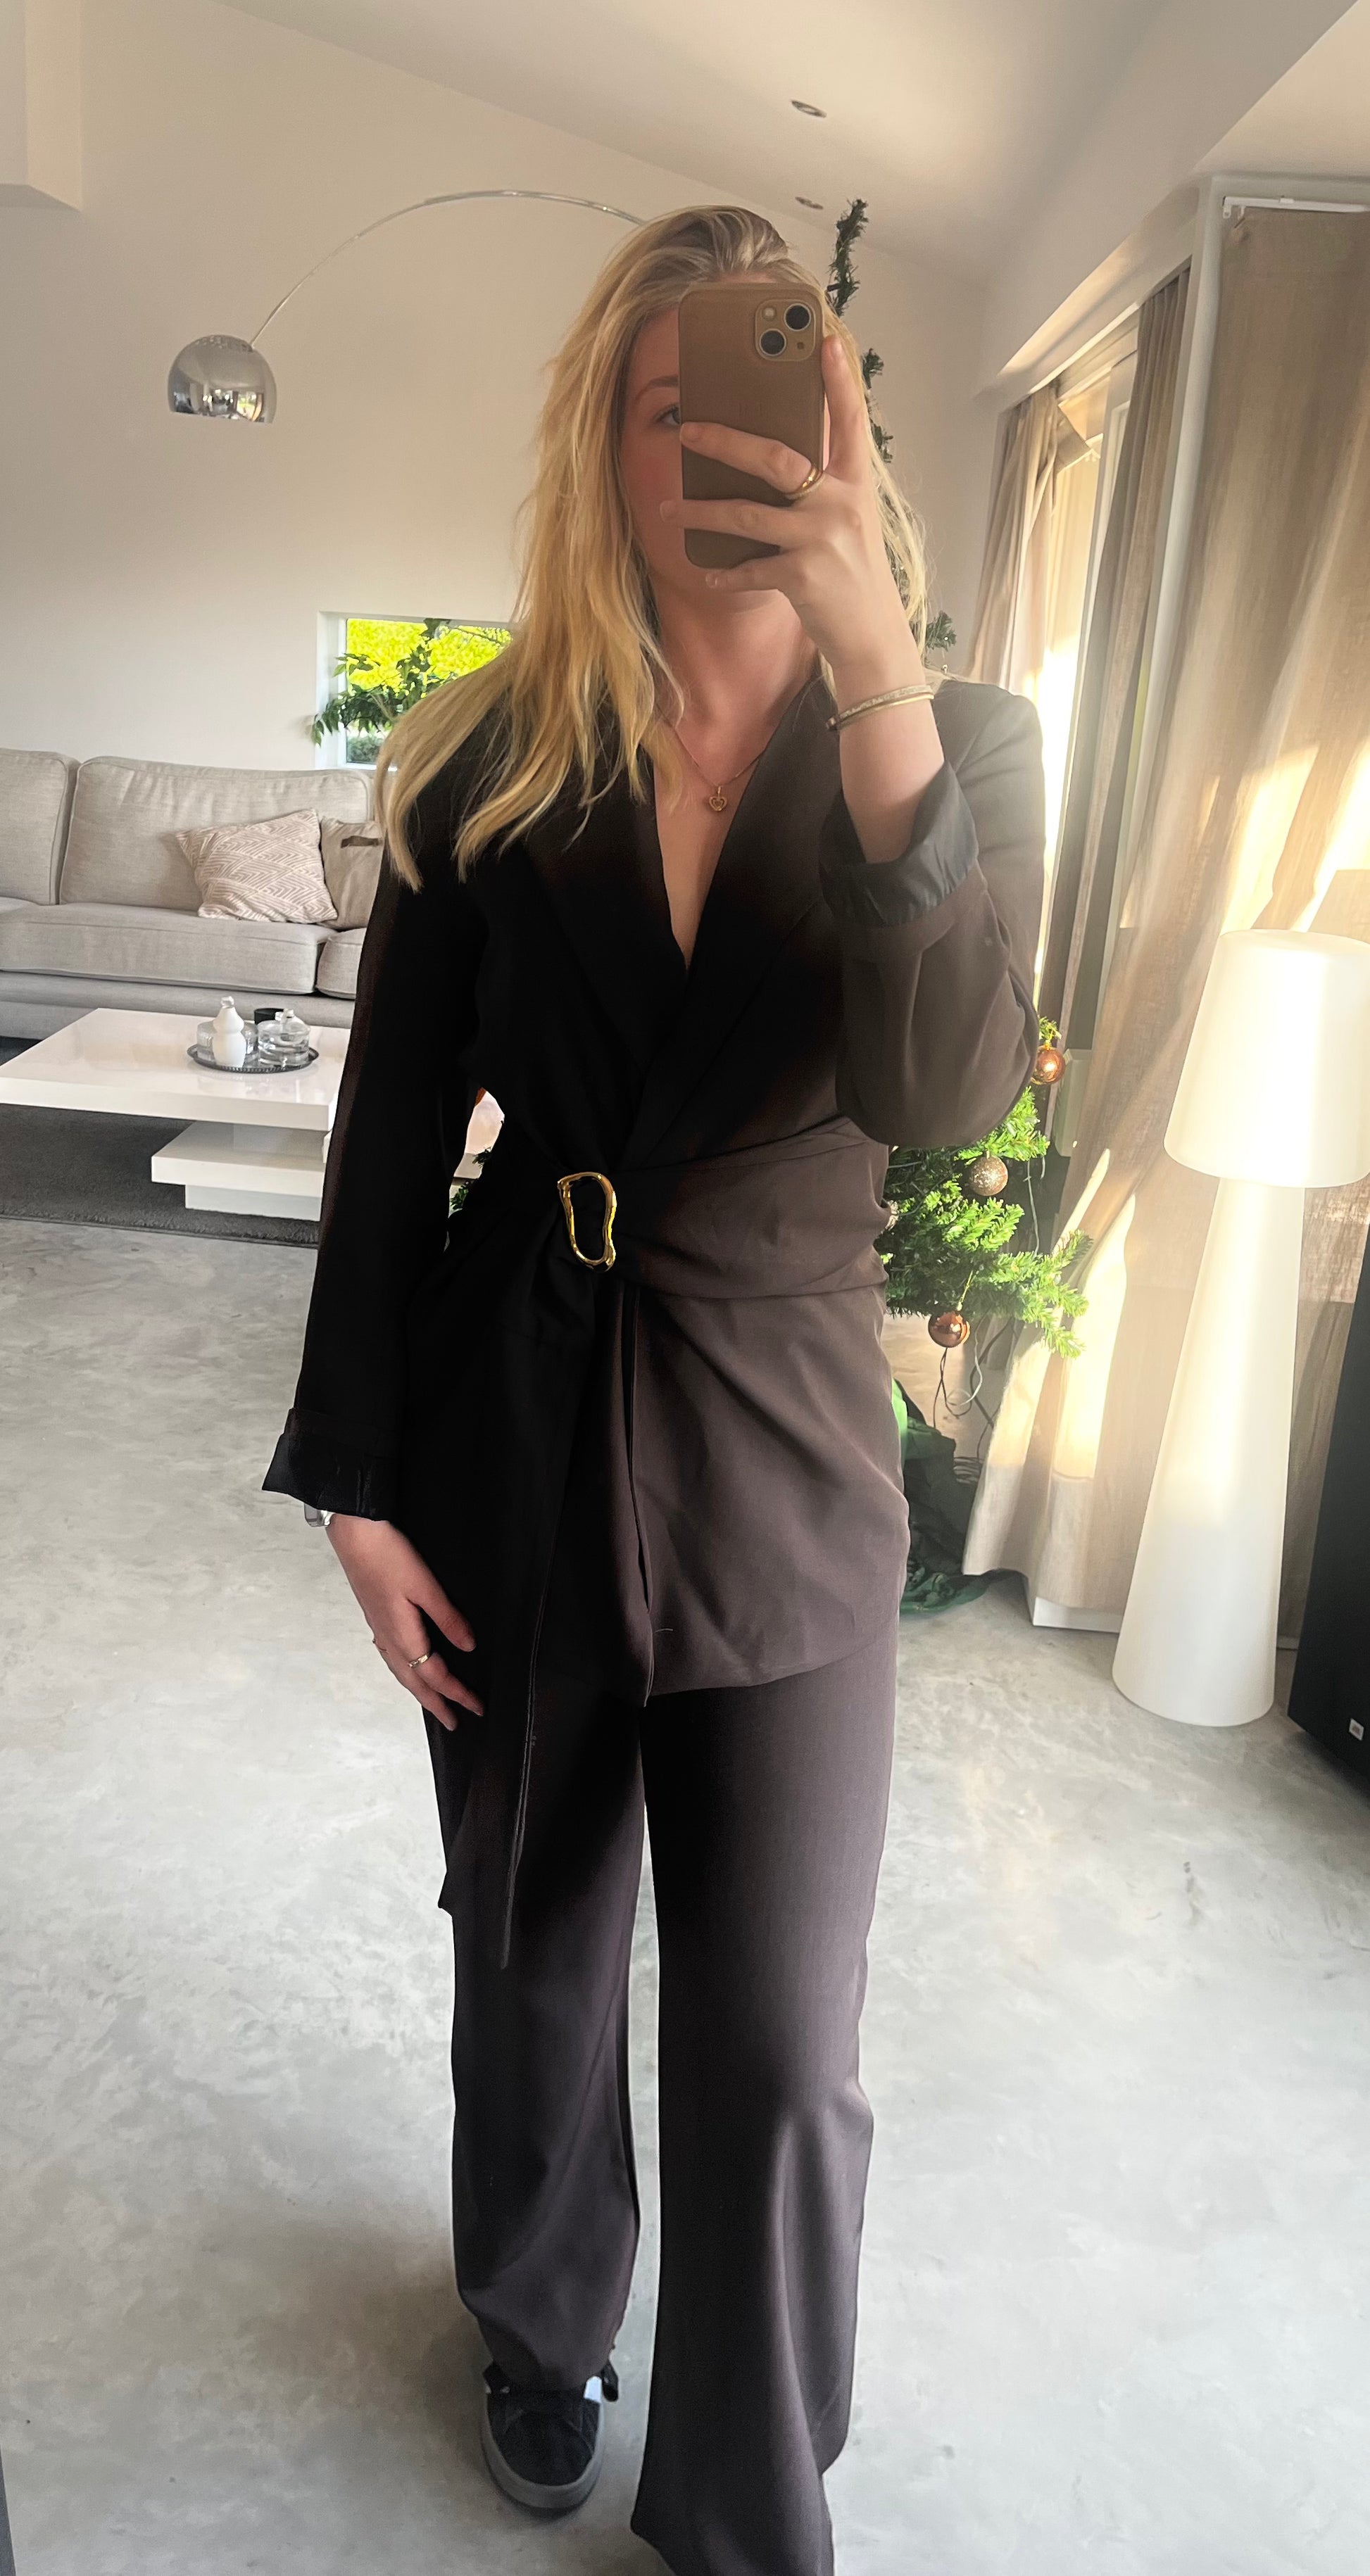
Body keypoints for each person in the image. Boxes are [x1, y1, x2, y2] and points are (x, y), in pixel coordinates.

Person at [263, 204, 1043, 2575]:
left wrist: (877, 672)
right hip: (506, 1418)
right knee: (529, 1948)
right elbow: (391, 1136)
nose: (713, 446)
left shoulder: (962, 742)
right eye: (662, 403)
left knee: (781, 2036)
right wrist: (356, 1483)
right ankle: (539, 2319)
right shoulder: (491, 754)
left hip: (782, 1445)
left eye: (764, 399)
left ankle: (741, 2493)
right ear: (601, 447)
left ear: (843, 431)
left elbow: (946, 1088)